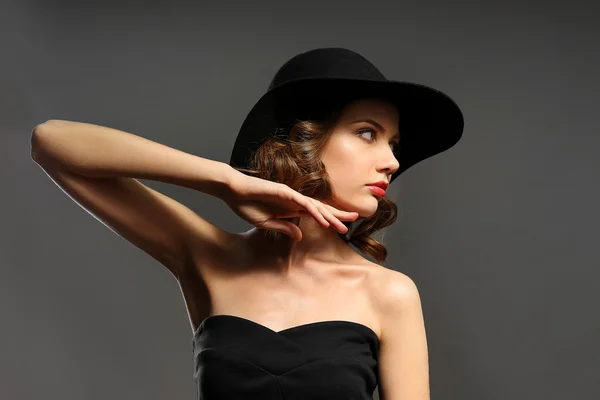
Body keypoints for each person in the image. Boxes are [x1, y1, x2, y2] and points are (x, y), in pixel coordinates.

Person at [30, 48, 464, 399]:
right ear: (303, 140)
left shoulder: (389, 293)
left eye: (393, 144)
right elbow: (51, 142)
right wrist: (225, 182)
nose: (390, 162)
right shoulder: (208, 257)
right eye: (368, 133)